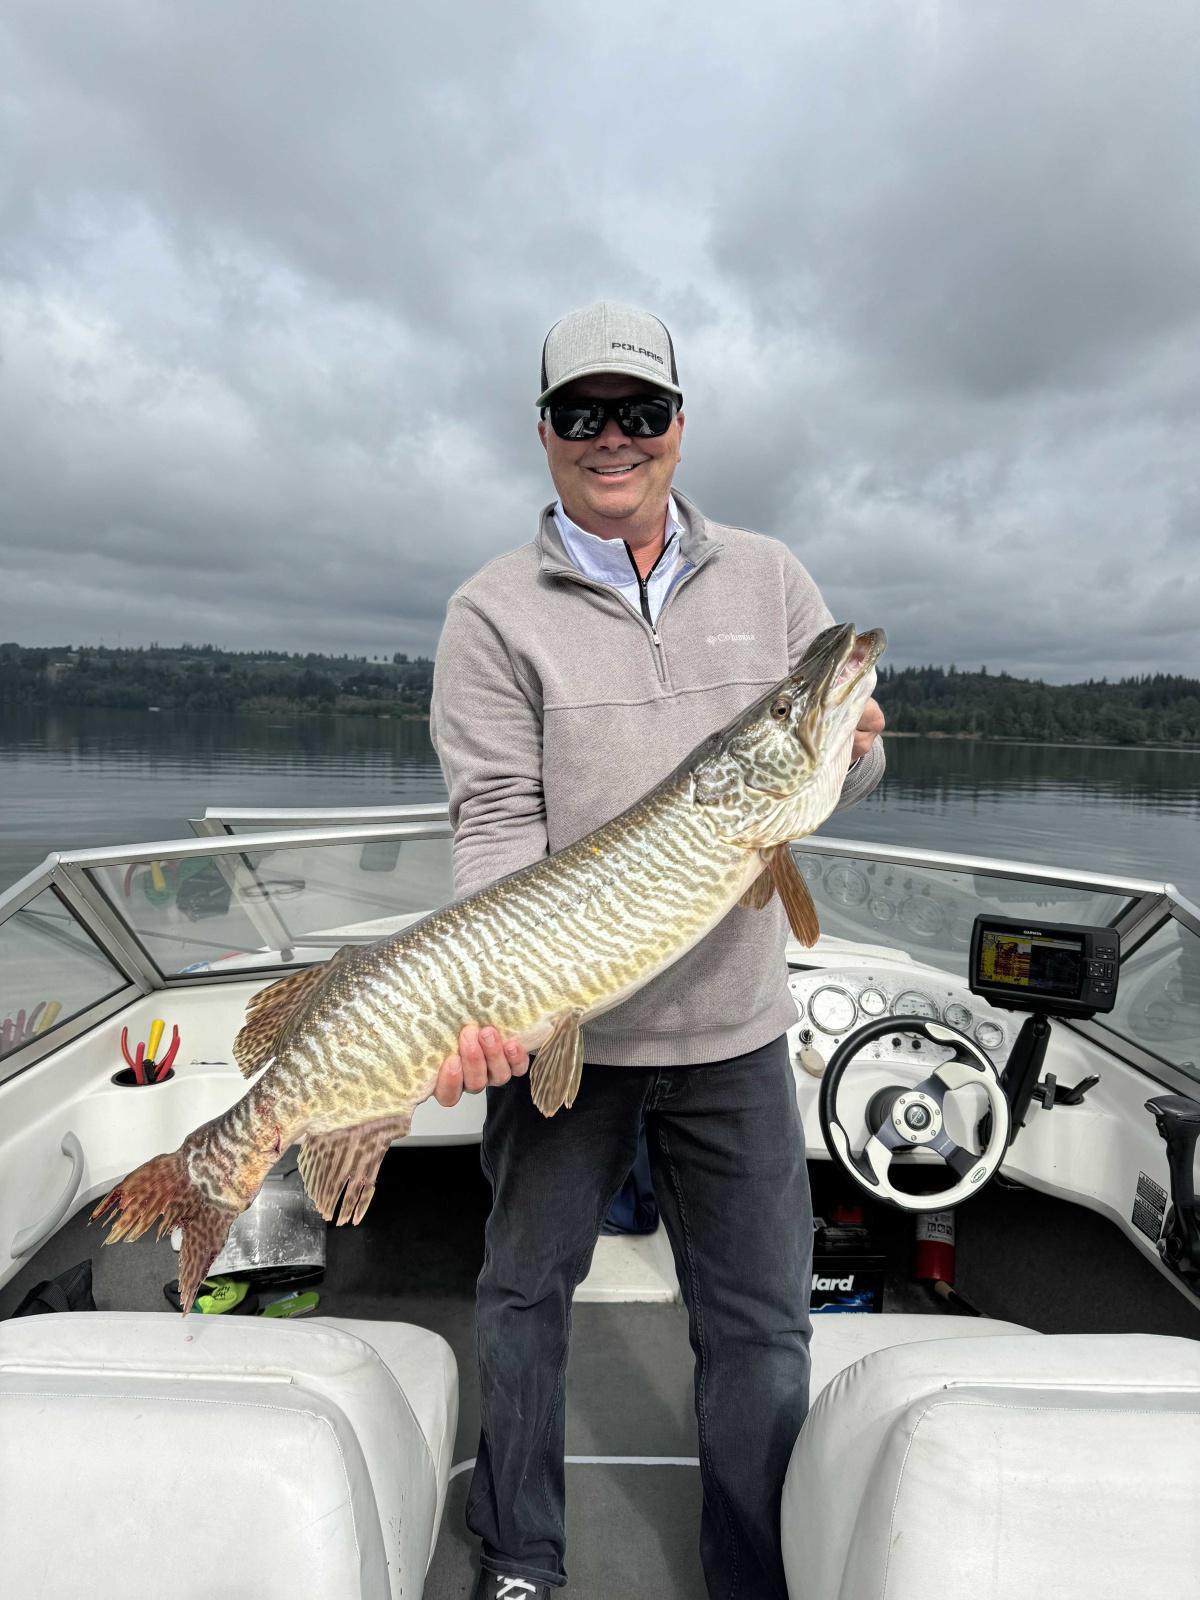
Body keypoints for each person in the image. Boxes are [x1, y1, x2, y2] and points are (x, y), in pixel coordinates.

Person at [428, 302, 885, 1600]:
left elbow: (824, 765)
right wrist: (492, 990)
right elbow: (498, 821)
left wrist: (851, 747)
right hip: (572, 1030)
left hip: (737, 1032)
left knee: (757, 1328)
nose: (612, 438)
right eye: (584, 414)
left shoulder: (774, 579)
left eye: (640, 412)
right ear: (546, 433)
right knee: (524, 1300)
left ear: (680, 427)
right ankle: (520, 1561)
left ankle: (753, 1577)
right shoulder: (490, 613)